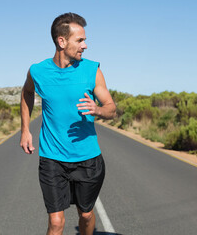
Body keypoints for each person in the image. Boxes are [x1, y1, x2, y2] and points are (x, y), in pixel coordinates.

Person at [20, 12, 116, 235]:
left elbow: (111, 108)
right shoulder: (38, 71)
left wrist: (98, 109)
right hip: (52, 158)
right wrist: (25, 129)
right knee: (56, 222)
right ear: (61, 41)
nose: (85, 45)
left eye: (84, 39)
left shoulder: (92, 70)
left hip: (88, 158)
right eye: (80, 40)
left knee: (86, 215)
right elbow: (26, 93)